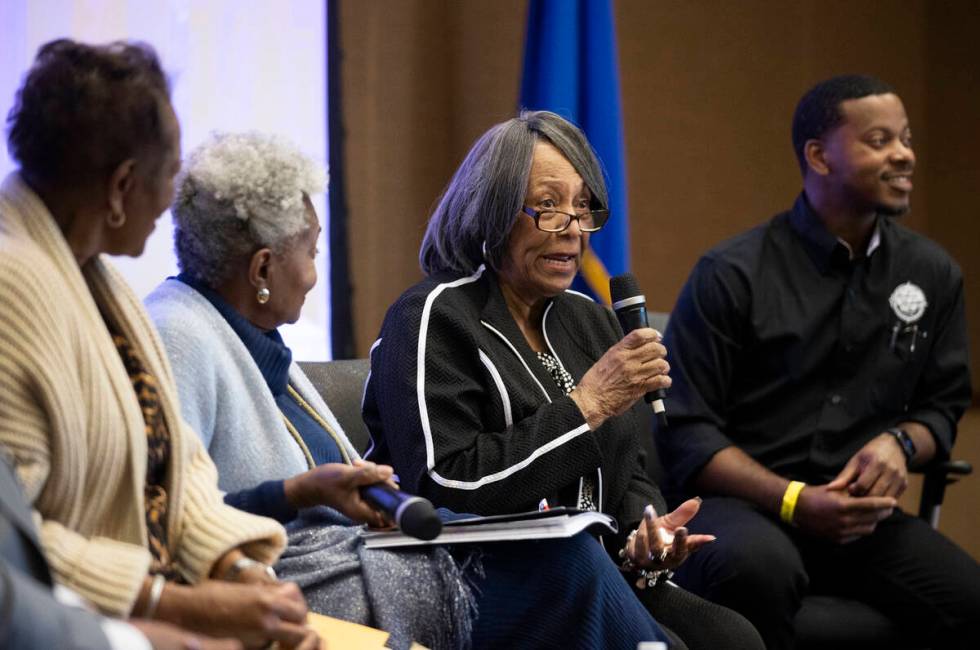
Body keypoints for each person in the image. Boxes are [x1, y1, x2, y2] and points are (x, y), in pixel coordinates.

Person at [144, 130, 673, 649]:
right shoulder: (179, 336)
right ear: (262, 268)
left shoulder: (251, 337)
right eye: (312, 251)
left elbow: (627, 463)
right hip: (308, 578)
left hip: (367, 557)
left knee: (717, 628)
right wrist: (299, 494)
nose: (311, 275)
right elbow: (163, 520)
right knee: (567, 567)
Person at [361, 110, 764, 650]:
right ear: (493, 212)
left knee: (734, 637)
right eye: (548, 206)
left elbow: (626, 467)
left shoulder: (589, 318)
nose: (573, 227)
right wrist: (588, 404)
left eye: (582, 207)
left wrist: (643, 536)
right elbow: (443, 485)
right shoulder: (432, 316)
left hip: (598, 569)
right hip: (480, 578)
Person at [0, 39, 320, 650]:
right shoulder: (13, 291)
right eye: (170, 173)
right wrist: (175, 605)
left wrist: (238, 574)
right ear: (121, 187)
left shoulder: (101, 279)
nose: (175, 198)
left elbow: (178, 466)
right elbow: (17, 539)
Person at [656, 74, 980, 649]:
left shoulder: (932, 273)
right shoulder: (733, 273)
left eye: (905, 138)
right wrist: (793, 499)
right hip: (744, 509)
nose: (904, 154)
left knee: (967, 597)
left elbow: (942, 406)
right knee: (757, 570)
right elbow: (687, 431)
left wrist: (900, 444)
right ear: (818, 156)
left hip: (857, 519)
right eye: (879, 140)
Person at [1, 455, 243, 650]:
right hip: (99, 625)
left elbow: (178, 466)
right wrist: (150, 614)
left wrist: (238, 565)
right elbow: (31, 540)